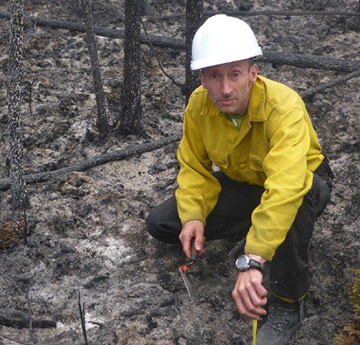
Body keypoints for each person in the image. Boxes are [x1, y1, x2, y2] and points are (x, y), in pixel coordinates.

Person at [146, 14, 333, 345]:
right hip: (248, 184)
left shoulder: (284, 107)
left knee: (293, 204)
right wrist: (193, 215)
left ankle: (289, 303)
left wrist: (254, 258)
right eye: (214, 76)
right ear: (202, 78)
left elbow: (286, 187)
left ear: (253, 73)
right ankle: (263, 230)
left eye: (234, 74)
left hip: (302, 185)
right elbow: (194, 168)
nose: (226, 88)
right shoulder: (198, 108)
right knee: (163, 223)